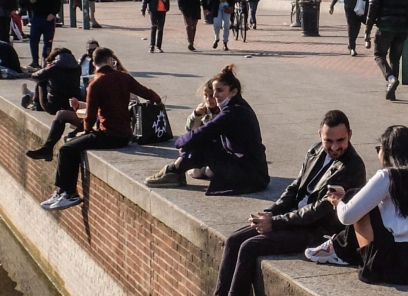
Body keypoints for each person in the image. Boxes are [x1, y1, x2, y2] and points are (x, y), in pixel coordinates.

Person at [174, 110, 367, 296]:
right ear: (320, 135)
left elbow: (319, 211)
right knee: (234, 239)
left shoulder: (352, 167)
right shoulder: (315, 150)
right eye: (329, 140)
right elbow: (295, 188)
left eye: (340, 140)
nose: (334, 147)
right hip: (292, 219)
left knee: (249, 247)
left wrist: (275, 223)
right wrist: (270, 213)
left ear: (349, 135)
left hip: (316, 231)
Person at [308, 125, 408, 286]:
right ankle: (337, 247)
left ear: (388, 152)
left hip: (407, 268)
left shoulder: (389, 176)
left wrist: (338, 201)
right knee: (365, 202)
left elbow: (346, 216)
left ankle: (340, 251)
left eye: (379, 148)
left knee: (354, 197)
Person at [35, 47, 161, 211]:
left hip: (109, 134)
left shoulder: (95, 84)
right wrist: (158, 101)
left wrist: (86, 131)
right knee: (73, 145)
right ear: (110, 61)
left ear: (94, 63)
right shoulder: (124, 77)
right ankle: (61, 191)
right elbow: (147, 93)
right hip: (125, 134)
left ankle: (69, 193)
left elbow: (90, 115)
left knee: (66, 149)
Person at [144, 64, 270, 195]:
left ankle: (173, 171)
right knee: (199, 142)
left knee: (199, 141)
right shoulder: (235, 106)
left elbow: (207, 131)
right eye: (214, 90)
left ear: (234, 92)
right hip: (249, 168)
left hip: (250, 174)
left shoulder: (234, 111)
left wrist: (181, 143)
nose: (215, 95)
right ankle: (175, 171)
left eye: (220, 90)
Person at [19, 0, 60, 70]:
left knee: (48, 41)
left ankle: (46, 61)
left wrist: (53, 13)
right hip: (36, 16)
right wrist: (30, 0)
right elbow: (24, 1)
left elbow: (57, 1)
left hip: (48, 17)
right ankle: (35, 61)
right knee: (33, 40)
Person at [22, 47, 80, 114]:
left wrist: (47, 67)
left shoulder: (53, 68)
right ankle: (32, 97)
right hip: (72, 105)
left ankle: (36, 103)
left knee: (42, 81)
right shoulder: (77, 68)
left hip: (53, 107)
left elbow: (35, 76)